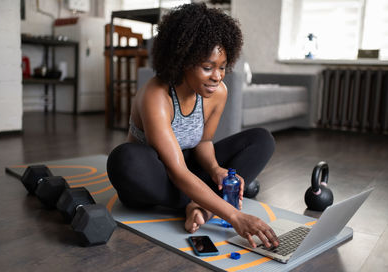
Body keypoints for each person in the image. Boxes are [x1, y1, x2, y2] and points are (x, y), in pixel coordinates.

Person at [107, 3, 279, 249]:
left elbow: (204, 142)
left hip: (188, 170)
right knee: (124, 159)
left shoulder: (218, 92)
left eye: (222, 67)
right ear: (182, 61)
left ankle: (201, 207)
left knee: (261, 140)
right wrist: (234, 215)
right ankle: (211, 202)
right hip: (154, 177)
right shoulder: (156, 95)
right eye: (207, 68)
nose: (217, 76)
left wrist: (215, 169)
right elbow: (176, 171)